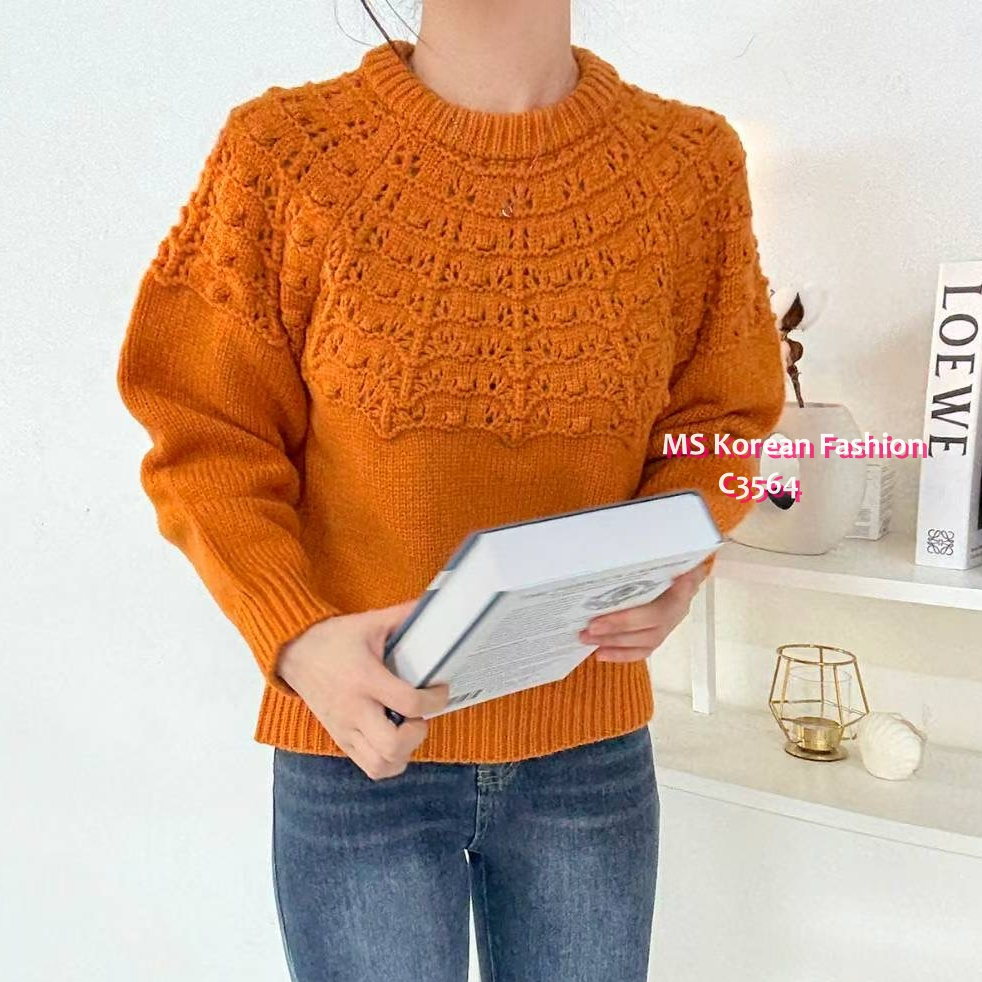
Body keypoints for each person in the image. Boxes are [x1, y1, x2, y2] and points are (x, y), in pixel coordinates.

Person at [116, 1, 785, 979]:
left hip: (587, 747)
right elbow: (203, 432)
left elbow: (721, 421)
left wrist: (673, 559)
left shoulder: (691, 164)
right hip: (356, 746)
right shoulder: (284, 153)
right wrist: (294, 636)